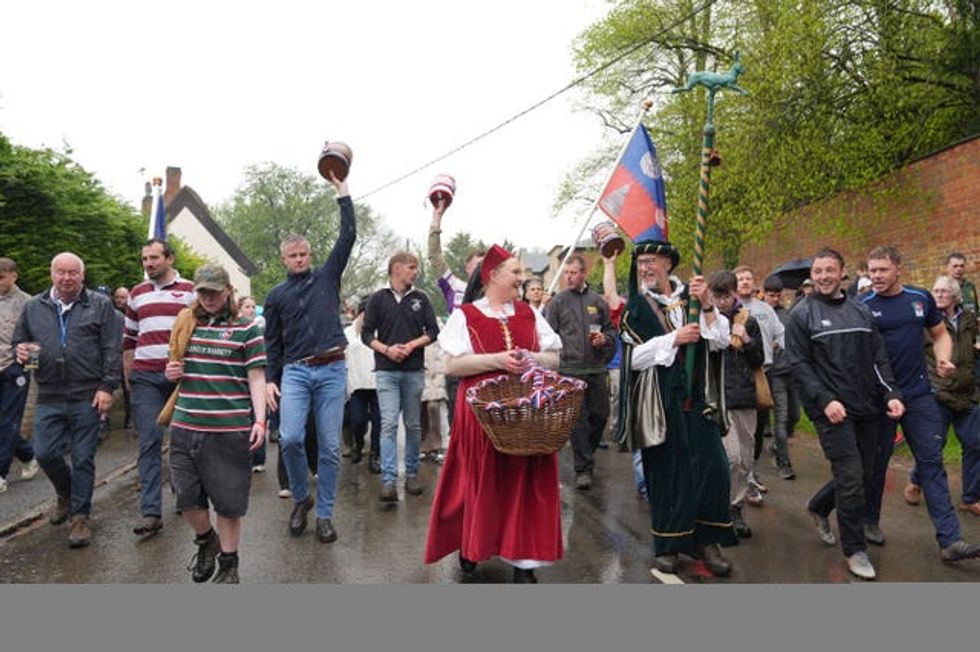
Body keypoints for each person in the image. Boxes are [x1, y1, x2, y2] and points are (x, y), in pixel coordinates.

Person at [425, 244, 564, 583]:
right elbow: (452, 365)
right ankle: (472, 542)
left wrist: (529, 356)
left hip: (526, 414)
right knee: (482, 481)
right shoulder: (467, 315)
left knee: (525, 485)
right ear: (493, 276)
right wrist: (499, 360)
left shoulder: (531, 314)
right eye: (515, 272)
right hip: (481, 413)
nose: (522, 278)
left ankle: (524, 561)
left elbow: (555, 359)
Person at [616, 240, 737, 577]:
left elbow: (722, 339)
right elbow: (632, 359)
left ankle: (706, 540)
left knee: (712, 470)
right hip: (660, 403)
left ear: (668, 264)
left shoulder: (692, 297)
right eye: (640, 263)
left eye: (651, 261)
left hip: (698, 401)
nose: (645, 268)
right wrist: (673, 339)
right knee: (668, 473)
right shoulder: (636, 308)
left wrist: (707, 303)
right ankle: (669, 543)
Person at [787, 247, 904, 580]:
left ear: (842, 273)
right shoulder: (801, 314)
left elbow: (878, 358)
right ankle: (855, 551)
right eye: (818, 271)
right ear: (813, 275)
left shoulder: (861, 311)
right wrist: (825, 400)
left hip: (867, 407)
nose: (823, 276)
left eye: (829, 270)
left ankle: (820, 506)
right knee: (851, 479)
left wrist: (891, 394)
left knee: (864, 475)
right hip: (831, 411)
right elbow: (799, 365)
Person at [861, 245, 980, 563]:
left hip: (919, 394)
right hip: (882, 397)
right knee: (877, 463)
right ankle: (869, 521)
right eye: (871, 270)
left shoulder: (920, 298)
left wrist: (943, 360)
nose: (876, 276)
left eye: (882, 270)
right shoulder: (863, 304)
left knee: (932, 463)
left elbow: (941, 334)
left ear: (898, 268)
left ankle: (950, 540)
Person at [263, 169, 355, 544]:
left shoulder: (328, 277)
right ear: (284, 258)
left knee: (331, 448)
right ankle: (302, 498)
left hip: (332, 368)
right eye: (293, 255)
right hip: (295, 373)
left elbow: (348, 236)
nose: (299, 259)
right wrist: (271, 379)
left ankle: (325, 515)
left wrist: (342, 192)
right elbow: (272, 342)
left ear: (310, 254)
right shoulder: (275, 296)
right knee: (289, 439)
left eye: (304, 253)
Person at [164, 265, 267, 584]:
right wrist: (170, 372)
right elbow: (173, 363)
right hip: (185, 425)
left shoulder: (247, 328)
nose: (208, 298)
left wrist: (260, 421)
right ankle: (206, 539)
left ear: (228, 291)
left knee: (228, 503)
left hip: (228, 428)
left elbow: (256, 377)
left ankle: (229, 565)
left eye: (214, 292)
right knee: (186, 499)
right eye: (203, 292)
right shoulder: (186, 322)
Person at [12, 252, 122, 548]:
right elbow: (19, 342)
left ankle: (80, 518)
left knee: (83, 456)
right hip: (49, 393)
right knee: (45, 453)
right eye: (61, 272)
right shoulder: (34, 306)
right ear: (52, 274)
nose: (66, 278)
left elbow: (112, 348)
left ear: (82, 276)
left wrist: (106, 387)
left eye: (73, 273)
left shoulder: (100, 304)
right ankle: (66, 493)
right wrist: (20, 352)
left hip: (87, 394)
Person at [123, 239, 196, 537]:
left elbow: (200, 333)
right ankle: (151, 512)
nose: (148, 264)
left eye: (154, 258)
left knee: (184, 441)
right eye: (144, 259)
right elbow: (129, 340)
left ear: (169, 258)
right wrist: (129, 378)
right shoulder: (136, 294)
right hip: (145, 378)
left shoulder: (190, 291)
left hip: (182, 378)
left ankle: (186, 496)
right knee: (149, 442)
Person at [361, 251, 440, 503]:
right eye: (411, 267)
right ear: (396, 269)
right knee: (388, 424)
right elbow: (366, 334)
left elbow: (433, 331)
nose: (415, 272)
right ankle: (388, 480)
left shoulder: (421, 299)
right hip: (386, 371)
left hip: (413, 370)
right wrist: (386, 349)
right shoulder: (377, 299)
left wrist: (411, 345)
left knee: (414, 424)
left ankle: (413, 473)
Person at [903, 276, 979, 516]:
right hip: (938, 391)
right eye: (936, 291)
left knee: (976, 444)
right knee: (934, 446)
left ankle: (970, 497)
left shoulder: (969, 321)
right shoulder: (926, 322)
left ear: (956, 296)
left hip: (967, 392)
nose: (939, 294)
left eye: (945, 291)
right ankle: (916, 480)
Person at [544, 253, 616, 490]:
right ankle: (583, 469)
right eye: (566, 273)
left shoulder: (598, 301)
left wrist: (605, 340)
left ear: (583, 273)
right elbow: (547, 337)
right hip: (569, 370)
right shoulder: (557, 302)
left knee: (600, 415)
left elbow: (611, 332)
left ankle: (587, 454)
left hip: (595, 368)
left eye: (573, 272)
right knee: (578, 421)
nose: (568, 277)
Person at [710, 270, 765, 537]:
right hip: (719, 398)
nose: (721, 302)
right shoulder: (709, 321)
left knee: (745, 459)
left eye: (725, 296)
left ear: (734, 293)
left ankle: (736, 508)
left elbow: (758, 360)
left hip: (744, 397)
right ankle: (723, 506)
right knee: (730, 457)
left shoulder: (749, 321)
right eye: (716, 296)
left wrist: (746, 340)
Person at [427, 198, 485, 427]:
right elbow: (434, 257)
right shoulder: (455, 286)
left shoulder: (494, 294)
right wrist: (436, 219)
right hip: (458, 361)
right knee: (457, 420)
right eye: (476, 264)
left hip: (483, 361)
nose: (481, 268)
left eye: (485, 264)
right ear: (467, 267)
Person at [734, 265, 784, 504]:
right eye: (740, 278)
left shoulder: (765, 309)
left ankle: (751, 471)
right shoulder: (731, 309)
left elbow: (780, 334)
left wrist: (778, 347)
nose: (745, 282)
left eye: (748, 278)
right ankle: (744, 478)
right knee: (742, 430)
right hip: (739, 375)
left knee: (758, 428)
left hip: (764, 372)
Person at [0, 258, 39, 493]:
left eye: (1, 277)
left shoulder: (28, 303)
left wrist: (32, 371)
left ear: (14, 275)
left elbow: (35, 338)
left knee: (7, 420)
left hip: (16, 368)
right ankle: (28, 455)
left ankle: (1, 473)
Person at [762, 275, 797, 479]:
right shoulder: (759, 314)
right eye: (771, 295)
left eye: (777, 295)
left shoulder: (787, 315)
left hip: (792, 371)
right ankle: (784, 463)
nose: (774, 299)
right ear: (764, 294)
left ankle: (777, 446)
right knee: (781, 419)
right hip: (774, 374)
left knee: (794, 415)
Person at [343, 297, 380, 470]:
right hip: (357, 384)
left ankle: (375, 455)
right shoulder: (349, 333)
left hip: (378, 384)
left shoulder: (381, 330)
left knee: (379, 422)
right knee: (357, 420)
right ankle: (358, 444)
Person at [238, 295, 267, 473]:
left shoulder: (260, 327)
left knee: (259, 417)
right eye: (247, 306)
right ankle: (244, 456)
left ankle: (259, 458)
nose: (250, 310)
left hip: (258, 374)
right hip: (240, 380)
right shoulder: (234, 327)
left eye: (252, 306)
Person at [420, 335, 448, 463]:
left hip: (437, 377)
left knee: (433, 407)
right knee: (421, 412)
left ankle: (437, 445)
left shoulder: (438, 330)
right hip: (419, 376)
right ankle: (424, 446)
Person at [110, 286, 133, 431]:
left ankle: (130, 417)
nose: (119, 300)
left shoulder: (132, 313)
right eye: (117, 297)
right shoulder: (109, 313)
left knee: (128, 388)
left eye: (122, 297)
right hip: (113, 355)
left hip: (126, 355)